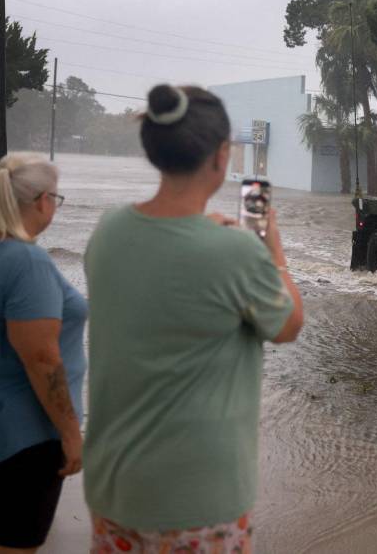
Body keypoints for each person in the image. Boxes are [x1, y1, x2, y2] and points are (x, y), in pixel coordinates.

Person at [83, 85, 303, 553]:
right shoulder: (237, 251)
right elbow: (288, 326)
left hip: (114, 489)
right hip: (199, 501)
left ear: (154, 149)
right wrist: (271, 246)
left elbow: (168, 275)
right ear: (222, 157)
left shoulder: (108, 231)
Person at [0, 154, 87, 553]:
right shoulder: (28, 262)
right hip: (24, 438)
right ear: (41, 201)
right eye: (58, 197)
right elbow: (41, 359)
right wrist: (71, 435)